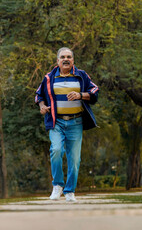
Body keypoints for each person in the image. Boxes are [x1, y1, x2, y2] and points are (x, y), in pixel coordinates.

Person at [35, 47, 99, 202]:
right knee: (56, 150)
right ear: (57, 60)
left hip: (76, 122)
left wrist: (80, 95)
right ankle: (57, 186)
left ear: (73, 60)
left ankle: (70, 191)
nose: (66, 59)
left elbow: (95, 91)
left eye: (69, 57)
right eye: (63, 57)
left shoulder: (81, 75)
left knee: (75, 159)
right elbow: (39, 95)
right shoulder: (49, 78)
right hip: (56, 122)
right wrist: (42, 106)